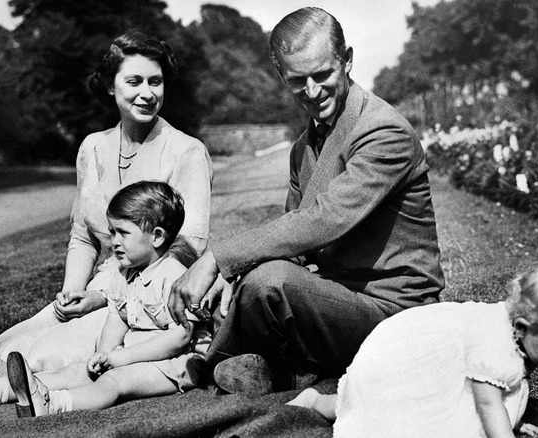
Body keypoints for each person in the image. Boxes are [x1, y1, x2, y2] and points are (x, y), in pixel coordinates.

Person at [0, 30, 212, 410]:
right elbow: (82, 237)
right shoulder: (92, 147)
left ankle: (1, 391)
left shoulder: (186, 152)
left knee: (47, 352)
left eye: (155, 81)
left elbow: (189, 246)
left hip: (151, 297)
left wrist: (102, 298)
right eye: (134, 81)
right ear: (111, 87)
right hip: (98, 284)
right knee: (16, 339)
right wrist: (71, 295)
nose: (147, 92)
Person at [168, 6, 445, 396]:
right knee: (257, 276)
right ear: (282, 75)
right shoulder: (304, 147)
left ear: (347, 60)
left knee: (269, 280)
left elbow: (324, 220)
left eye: (323, 74)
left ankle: (215, 364)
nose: (312, 92)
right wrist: (232, 277)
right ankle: (286, 371)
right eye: (298, 80)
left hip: (396, 314)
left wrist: (218, 259)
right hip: (337, 299)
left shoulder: (383, 131)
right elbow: (295, 245)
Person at [287, 262, 538, 438]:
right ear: (521, 327)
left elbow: (503, 396)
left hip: (427, 365)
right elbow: (489, 406)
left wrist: (514, 422)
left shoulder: (516, 337)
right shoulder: (494, 344)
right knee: (384, 414)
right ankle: (314, 401)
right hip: (402, 364)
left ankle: (320, 401)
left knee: (363, 406)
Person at [6, 181, 210, 416]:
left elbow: (179, 338)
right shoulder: (124, 273)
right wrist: (103, 353)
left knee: (114, 381)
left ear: (157, 237)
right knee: (78, 370)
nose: (114, 241)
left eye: (123, 232)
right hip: (135, 355)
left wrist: (121, 358)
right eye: (112, 232)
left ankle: (53, 403)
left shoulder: (176, 277)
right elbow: (117, 318)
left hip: (179, 364)